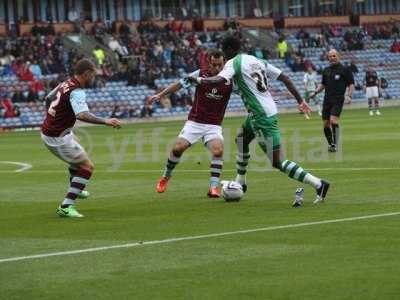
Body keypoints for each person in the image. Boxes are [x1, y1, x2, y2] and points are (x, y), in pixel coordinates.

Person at [188, 36, 330, 206]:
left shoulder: (233, 63)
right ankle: (241, 181)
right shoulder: (256, 60)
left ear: (226, 52)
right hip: (265, 110)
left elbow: (219, 80)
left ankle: (319, 184)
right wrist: (300, 100)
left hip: (260, 116)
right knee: (241, 139)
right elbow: (286, 78)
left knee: (278, 161)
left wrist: (198, 80)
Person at [41, 59, 122, 218]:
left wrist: (53, 121)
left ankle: (76, 188)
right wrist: (106, 121)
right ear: (86, 74)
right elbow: (82, 115)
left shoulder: (65, 83)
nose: (94, 78)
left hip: (53, 131)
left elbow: (48, 99)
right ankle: (66, 206)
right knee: (87, 167)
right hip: (57, 137)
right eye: (93, 74)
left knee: (78, 153)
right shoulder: (77, 91)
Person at [148, 49, 232, 198]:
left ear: (224, 63)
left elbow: (246, 92)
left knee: (218, 151)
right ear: (209, 63)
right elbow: (180, 84)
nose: (217, 68)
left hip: (213, 125)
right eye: (214, 65)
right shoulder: (199, 74)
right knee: (177, 149)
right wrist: (160, 95)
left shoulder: (230, 79)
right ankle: (166, 177)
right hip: (195, 122)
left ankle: (213, 187)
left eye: (220, 65)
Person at [310, 49, 354, 153]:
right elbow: (323, 85)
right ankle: (331, 144)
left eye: (334, 56)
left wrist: (349, 95)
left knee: (333, 121)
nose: (332, 58)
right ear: (328, 58)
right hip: (327, 100)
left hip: (338, 99)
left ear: (338, 56)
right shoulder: (326, 70)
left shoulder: (345, 70)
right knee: (326, 124)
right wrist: (315, 92)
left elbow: (351, 84)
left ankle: (336, 144)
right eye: (330, 56)